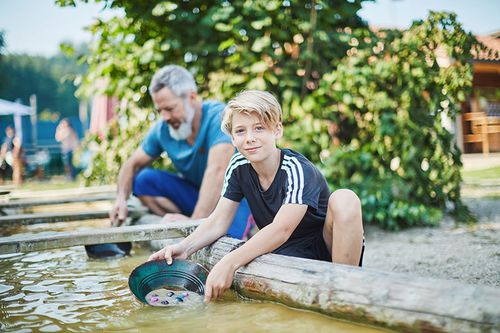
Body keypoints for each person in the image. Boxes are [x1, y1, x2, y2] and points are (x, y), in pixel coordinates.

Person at [148, 90, 365, 302]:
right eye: (241, 131)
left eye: (259, 128)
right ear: (232, 138)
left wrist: (229, 262)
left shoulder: (297, 169)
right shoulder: (238, 166)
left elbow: (282, 229)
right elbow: (218, 221)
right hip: (284, 253)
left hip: (324, 248)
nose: (250, 138)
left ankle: (345, 292)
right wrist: (184, 248)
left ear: (277, 131)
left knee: (345, 197)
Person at [109, 64, 252, 239]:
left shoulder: (219, 117)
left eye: (169, 109)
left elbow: (218, 171)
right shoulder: (162, 128)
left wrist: (195, 224)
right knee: (143, 180)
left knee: (225, 239)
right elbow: (131, 164)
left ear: (192, 97)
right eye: (160, 110)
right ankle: (188, 220)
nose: (165, 117)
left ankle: (194, 221)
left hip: (235, 199)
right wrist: (121, 199)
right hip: (197, 196)